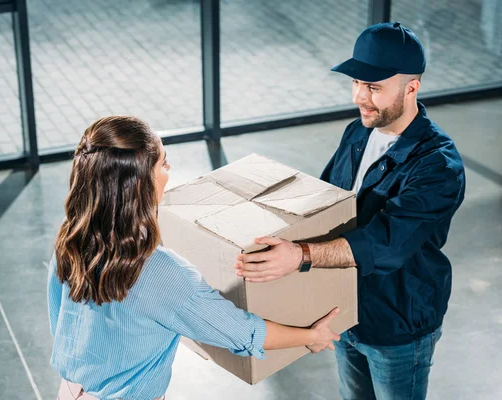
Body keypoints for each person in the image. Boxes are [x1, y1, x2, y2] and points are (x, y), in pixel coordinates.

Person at [234, 22, 466, 400]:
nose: (360, 96)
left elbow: (386, 245)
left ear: (411, 88)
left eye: (374, 87)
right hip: (346, 312)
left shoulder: (437, 165)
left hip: (398, 323)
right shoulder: (358, 133)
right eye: (357, 83)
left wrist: (302, 256)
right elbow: (326, 206)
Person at [47, 116, 341, 400]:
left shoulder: (69, 238)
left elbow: (60, 318)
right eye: (163, 163)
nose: (169, 169)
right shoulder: (160, 272)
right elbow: (243, 333)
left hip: (71, 391)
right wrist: (311, 336)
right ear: (140, 184)